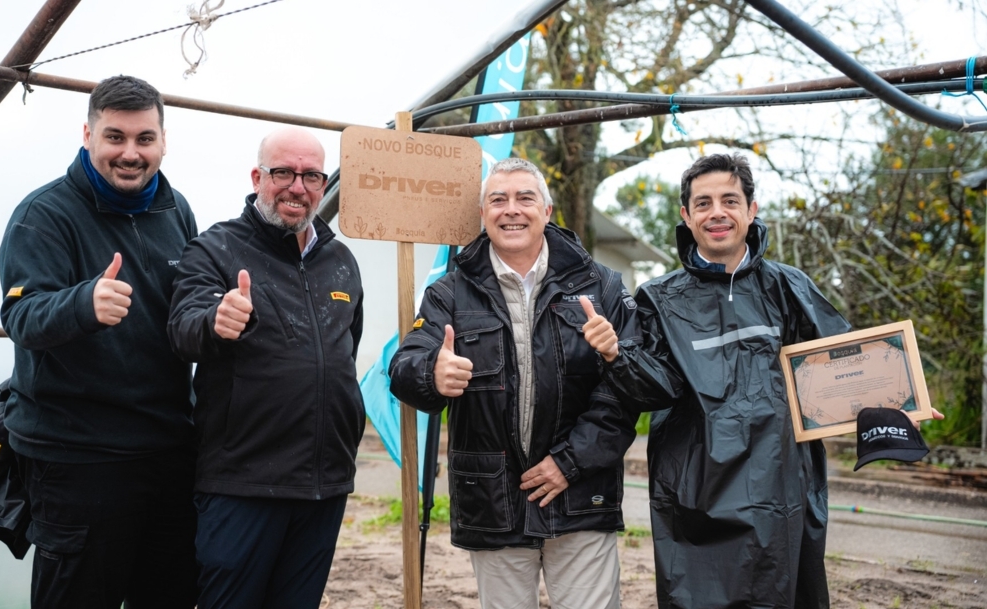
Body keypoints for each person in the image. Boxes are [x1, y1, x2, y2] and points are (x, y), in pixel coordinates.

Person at [389, 157, 672, 609]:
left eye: (525, 197)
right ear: (483, 215)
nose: (511, 210)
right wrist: (431, 373)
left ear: (548, 209)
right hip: (494, 501)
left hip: (580, 497)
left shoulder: (600, 286)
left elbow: (634, 392)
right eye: (497, 200)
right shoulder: (450, 292)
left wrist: (570, 460)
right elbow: (404, 366)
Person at [0, 75, 198, 608]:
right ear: (86, 135)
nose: (130, 153)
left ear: (162, 140)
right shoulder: (44, 215)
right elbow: (21, 314)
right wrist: (82, 304)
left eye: (144, 139)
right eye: (115, 137)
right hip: (79, 460)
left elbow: (188, 312)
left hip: (169, 453)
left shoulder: (176, 209)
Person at [625, 153, 850, 608]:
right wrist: (614, 354)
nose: (717, 213)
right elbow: (649, 390)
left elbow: (845, 367)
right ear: (686, 216)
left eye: (730, 200)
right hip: (695, 497)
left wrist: (893, 409)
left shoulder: (789, 288)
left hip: (781, 491)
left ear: (752, 209)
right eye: (703, 203)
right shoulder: (657, 300)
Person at [167, 126, 364, 609]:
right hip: (243, 484)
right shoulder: (216, 249)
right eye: (283, 173)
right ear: (258, 176)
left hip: (323, 483)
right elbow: (182, 328)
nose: (298, 187)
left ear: (323, 184)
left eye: (311, 176)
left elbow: (345, 353)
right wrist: (217, 319)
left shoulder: (341, 261)